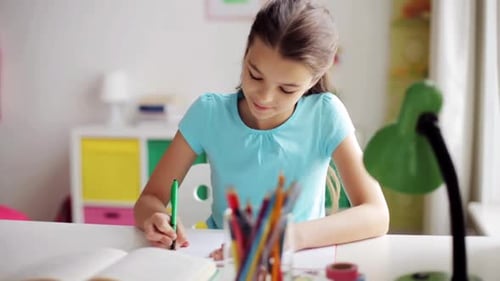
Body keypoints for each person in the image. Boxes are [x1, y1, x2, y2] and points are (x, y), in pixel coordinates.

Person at [134, 0, 389, 256]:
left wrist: (283, 238)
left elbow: (376, 213)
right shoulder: (208, 113)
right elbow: (149, 199)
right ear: (246, 52)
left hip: (296, 262)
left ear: (313, 79)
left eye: (287, 88)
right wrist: (155, 217)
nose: (264, 97)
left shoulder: (325, 115)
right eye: (255, 75)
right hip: (223, 259)